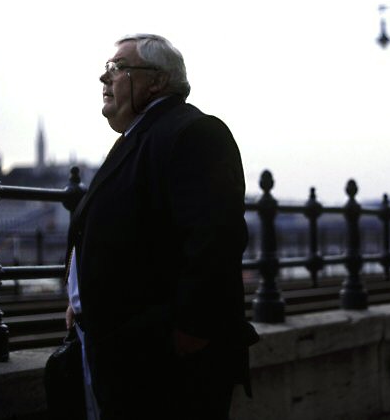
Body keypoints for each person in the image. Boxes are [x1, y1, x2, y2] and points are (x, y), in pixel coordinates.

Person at [63, 33, 258, 420]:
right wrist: (80, 300)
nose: (105, 79)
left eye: (117, 68)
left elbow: (214, 241)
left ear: (156, 81)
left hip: (163, 361)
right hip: (127, 353)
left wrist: (190, 332)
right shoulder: (142, 137)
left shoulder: (194, 133)